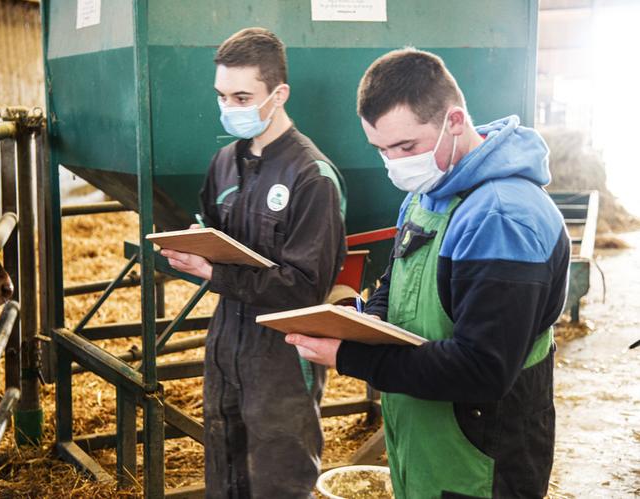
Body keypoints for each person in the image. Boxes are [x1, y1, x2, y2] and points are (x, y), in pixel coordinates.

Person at [286, 48, 570, 498]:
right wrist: (370, 316)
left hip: (480, 460)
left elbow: (483, 370)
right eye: (381, 149)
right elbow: (399, 278)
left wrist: (349, 357)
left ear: (454, 121)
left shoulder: (502, 218)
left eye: (406, 147)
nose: (395, 163)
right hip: (425, 442)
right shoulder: (429, 189)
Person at [161, 28, 347, 498]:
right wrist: (191, 247)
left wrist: (215, 273)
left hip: (283, 354)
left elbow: (304, 288)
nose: (230, 108)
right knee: (224, 472)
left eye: (243, 96)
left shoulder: (313, 178)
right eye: (223, 96)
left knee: (279, 477)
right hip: (226, 342)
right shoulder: (224, 161)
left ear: (278, 94)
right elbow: (208, 224)